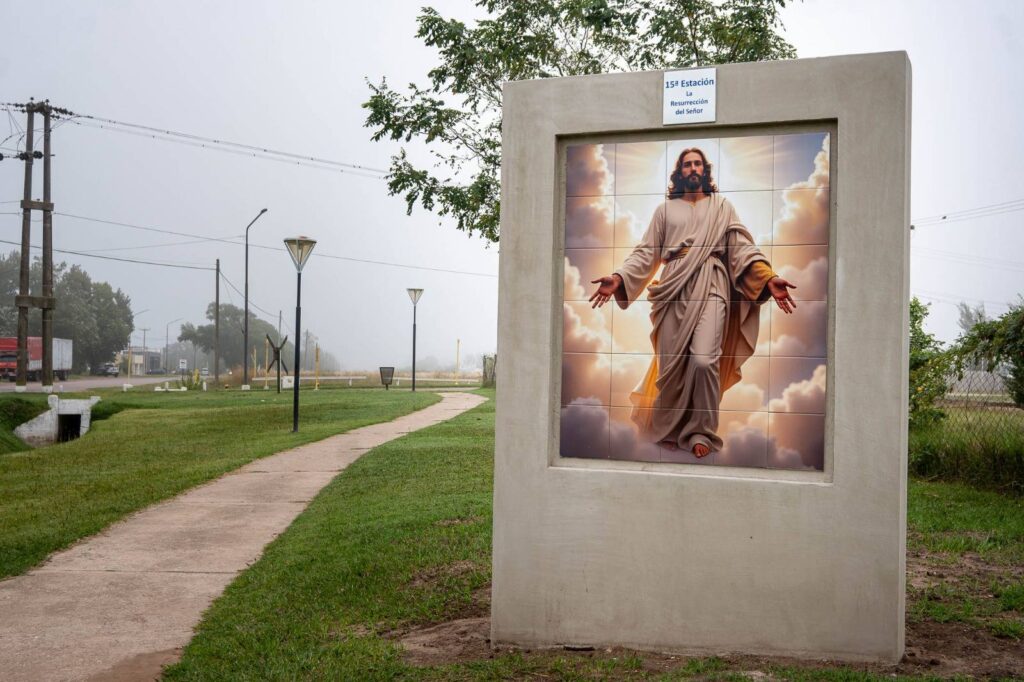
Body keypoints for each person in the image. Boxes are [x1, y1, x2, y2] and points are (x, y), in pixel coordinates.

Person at [589, 147, 797, 457]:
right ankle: (669, 429)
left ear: (705, 170)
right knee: (671, 364)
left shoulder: (722, 207)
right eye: (687, 164)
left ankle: (701, 431)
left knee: (703, 360)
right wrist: (619, 278)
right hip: (673, 286)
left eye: (698, 163)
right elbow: (646, 252)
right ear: (679, 172)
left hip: (712, 281)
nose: (693, 168)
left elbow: (741, 249)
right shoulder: (664, 211)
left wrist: (767, 278)